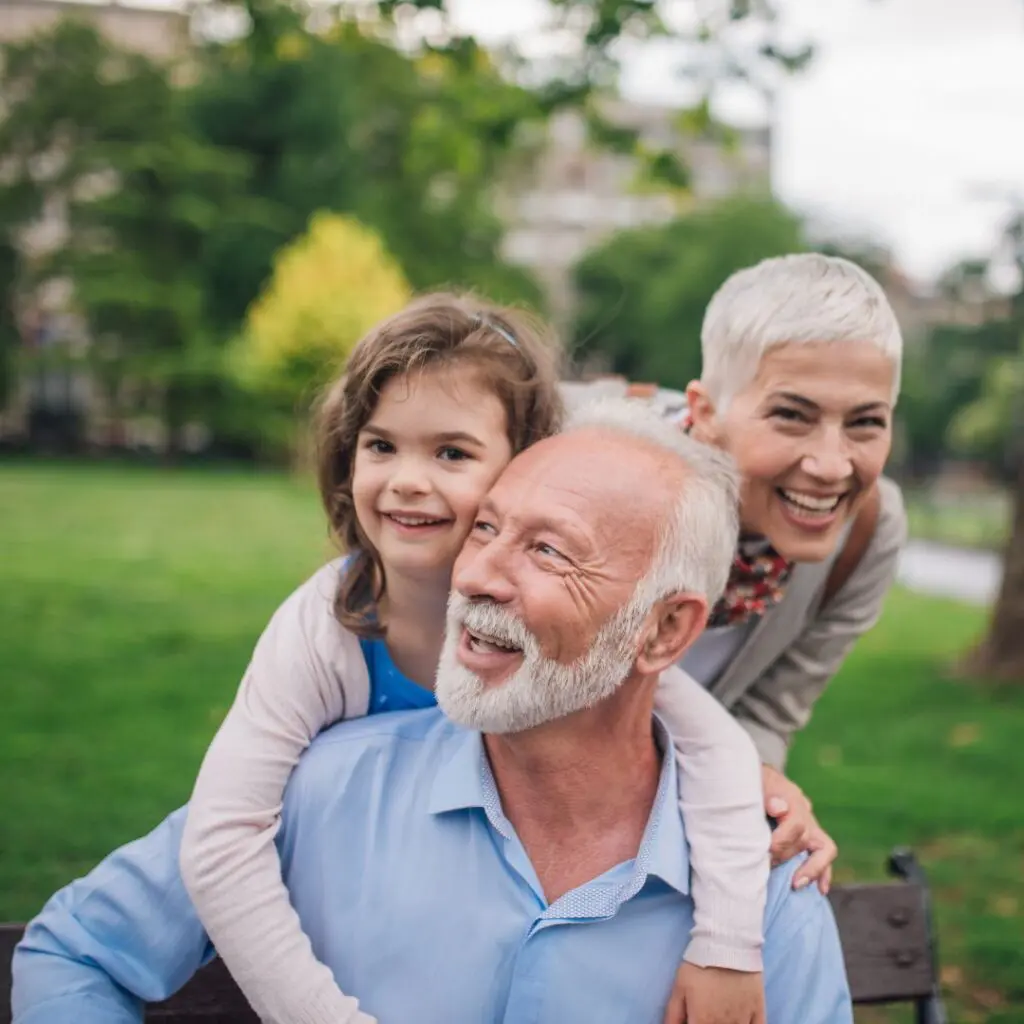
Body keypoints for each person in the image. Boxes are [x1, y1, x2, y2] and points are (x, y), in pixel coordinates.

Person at [13, 400, 853, 1024]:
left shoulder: (765, 890)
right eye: (484, 528)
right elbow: (73, 955)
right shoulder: (323, 791)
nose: (479, 574)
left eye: (548, 550)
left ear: (665, 631)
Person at [173, 294, 771, 1024]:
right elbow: (223, 835)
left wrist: (728, 945)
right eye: (380, 445)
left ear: (526, 463)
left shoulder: (582, 636)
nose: (407, 480)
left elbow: (717, 750)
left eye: (451, 453)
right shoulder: (327, 624)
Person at [568, 253, 906, 926]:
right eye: (792, 415)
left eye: (866, 422)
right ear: (705, 410)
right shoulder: (585, 466)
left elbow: (770, 711)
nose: (832, 464)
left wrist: (755, 787)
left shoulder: (868, 532)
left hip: (662, 818)